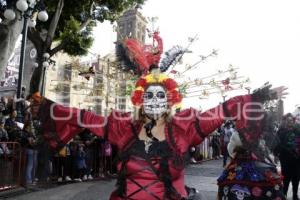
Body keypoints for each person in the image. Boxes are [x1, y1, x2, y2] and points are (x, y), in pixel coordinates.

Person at [29, 32, 287, 200]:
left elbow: (225, 110)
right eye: (149, 96)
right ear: (140, 99)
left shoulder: (185, 127)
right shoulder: (123, 128)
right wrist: (45, 107)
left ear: (170, 99)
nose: (154, 101)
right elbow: (82, 116)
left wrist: (259, 95)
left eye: (160, 95)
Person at [274, 114, 300, 200]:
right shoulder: (281, 131)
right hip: (285, 158)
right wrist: (275, 154)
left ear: (293, 121)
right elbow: (276, 144)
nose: (290, 122)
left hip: (297, 158)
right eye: (288, 121)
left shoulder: (298, 131)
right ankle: (284, 193)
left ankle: (295, 194)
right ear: (285, 121)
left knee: (296, 177)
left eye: (291, 120)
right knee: (285, 177)